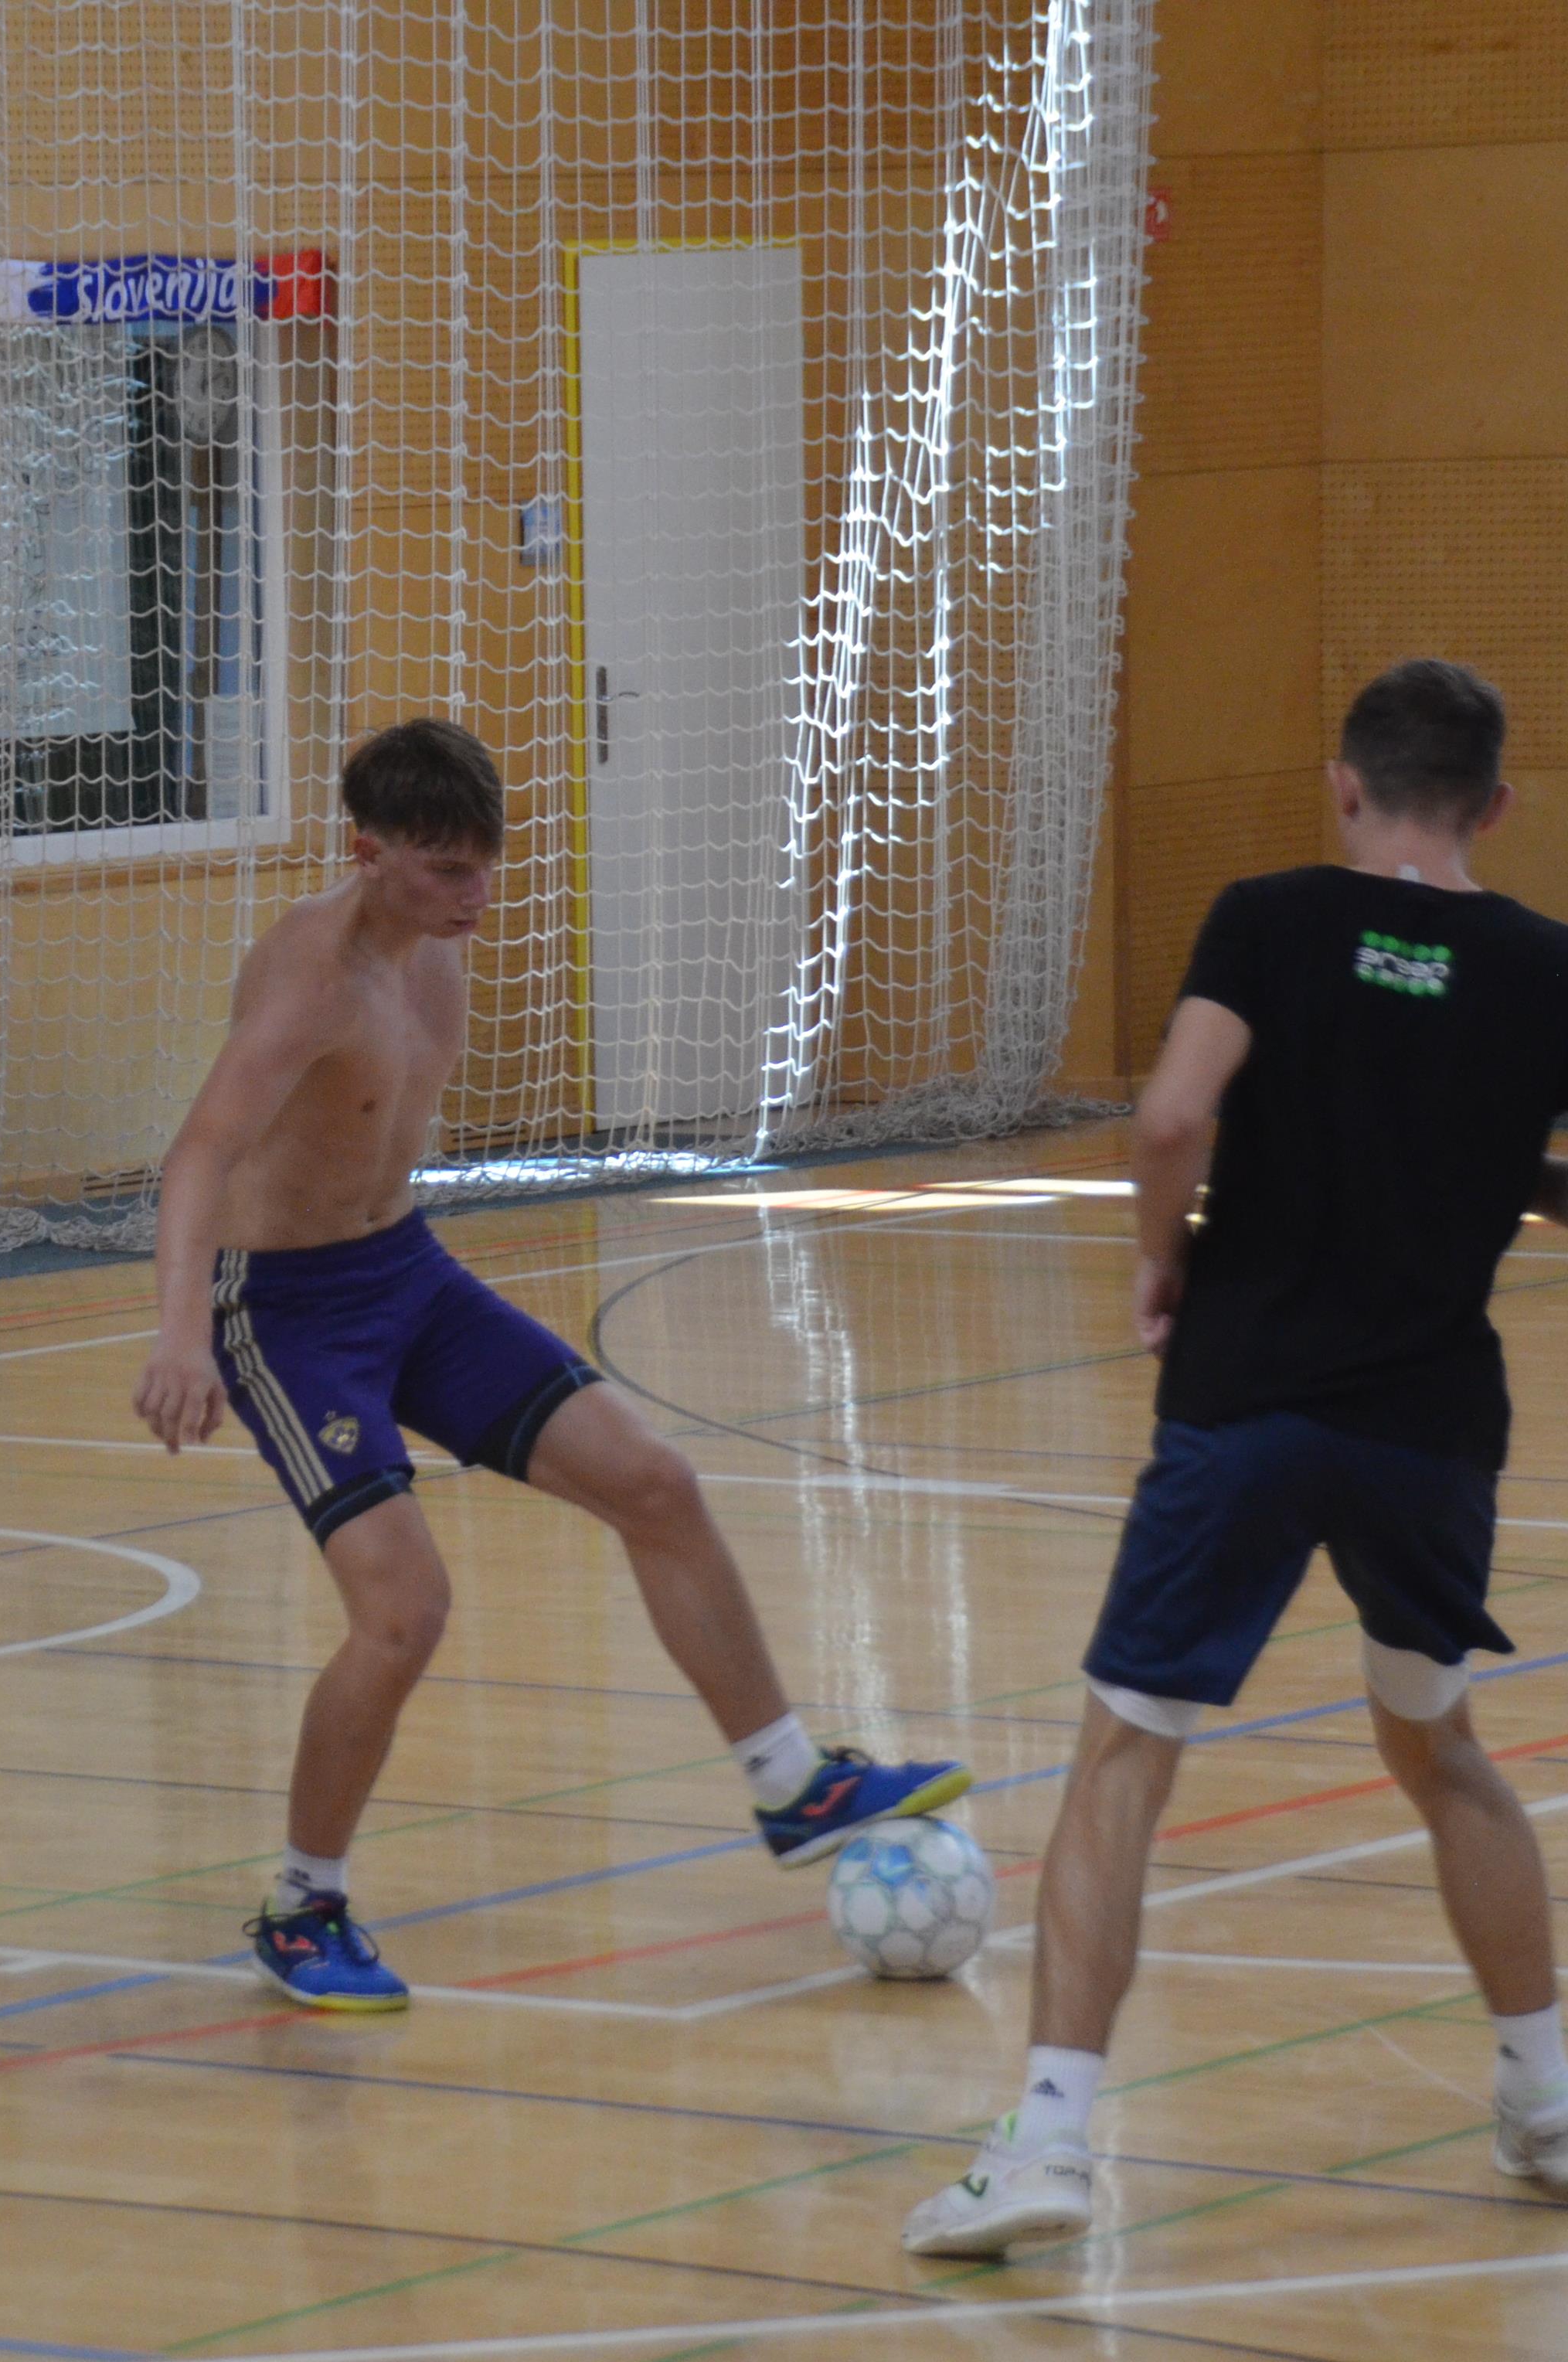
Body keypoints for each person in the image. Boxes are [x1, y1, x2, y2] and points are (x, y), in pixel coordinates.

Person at [906, 659, 1568, 2258]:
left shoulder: (1266, 919)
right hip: (1430, 1436)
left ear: (1345, 785)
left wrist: (1160, 1260)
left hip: (1248, 1403)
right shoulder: (1547, 964)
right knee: (1438, 1746)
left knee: (1125, 1755)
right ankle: (1548, 2099)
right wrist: (1509, 1179)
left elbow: (1168, 1119)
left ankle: (1048, 2142)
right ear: (1493, 804)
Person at [133, 717, 973, 2011]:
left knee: (656, 1483)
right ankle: (302, 1907)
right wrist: (183, 1332)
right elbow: (200, 1152)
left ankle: (791, 1784)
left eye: (486, 864)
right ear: (367, 853)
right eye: (445, 870)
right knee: (404, 1613)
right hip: (286, 1314)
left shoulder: (436, 957)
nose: (476, 895)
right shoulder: (310, 976)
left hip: (405, 1274)